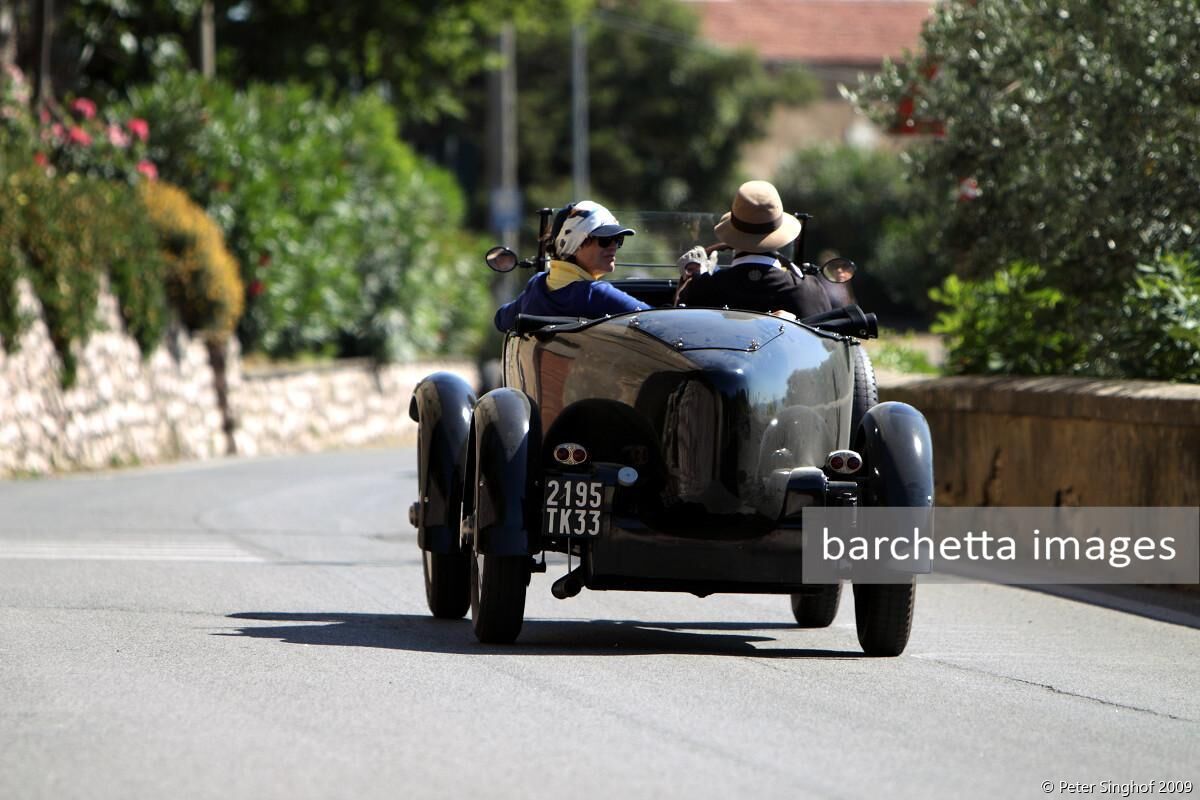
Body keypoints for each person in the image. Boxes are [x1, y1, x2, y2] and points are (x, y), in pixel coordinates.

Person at [675, 180, 832, 319]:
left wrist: (693, 278)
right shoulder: (809, 292)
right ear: (780, 236)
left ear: (733, 236)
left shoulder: (701, 289)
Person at [494, 201, 649, 331]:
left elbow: (501, 319)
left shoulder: (537, 286)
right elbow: (656, 320)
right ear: (575, 244)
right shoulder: (595, 294)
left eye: (618, 239)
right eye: (606, 240)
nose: (614, 246)